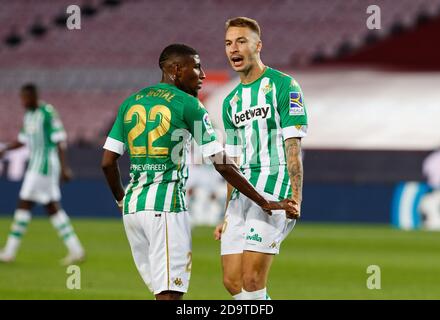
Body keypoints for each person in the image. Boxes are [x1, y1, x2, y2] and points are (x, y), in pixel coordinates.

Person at [101, 44, 296, 300]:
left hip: (133, 210)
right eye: (196, 66)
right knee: (170, 295)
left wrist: (120, 199)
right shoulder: (188, 105)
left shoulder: (131, 102)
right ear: (177, 69)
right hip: (166, 208)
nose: (202, 74)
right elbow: (222, 163)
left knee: (162, 291)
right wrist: (264, 201)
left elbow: (107, 162)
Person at [213, 17, 308, 300]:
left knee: (252, 279)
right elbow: (233, 162)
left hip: (274, 187)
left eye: (241, 41)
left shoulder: (284, 86)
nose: (234, 49)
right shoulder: (230, 102)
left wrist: (296, 196)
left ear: (258, 45)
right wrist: (227, 211)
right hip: (243, 193)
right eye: (229, 43)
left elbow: (293, 146)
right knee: (232, 282)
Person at [0, 84, 85, 265]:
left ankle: (9, 252)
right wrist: (5, 148)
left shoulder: (47, 113)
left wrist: (64, 168)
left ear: (33, 96)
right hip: (35, 166)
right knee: (51, 208)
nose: (22, 101)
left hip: (44, 167)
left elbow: (60, 140)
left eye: (25, 98)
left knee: (24, 204)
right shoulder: (29, 115)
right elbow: (22, 140)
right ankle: (76, 249)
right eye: (21, 98)